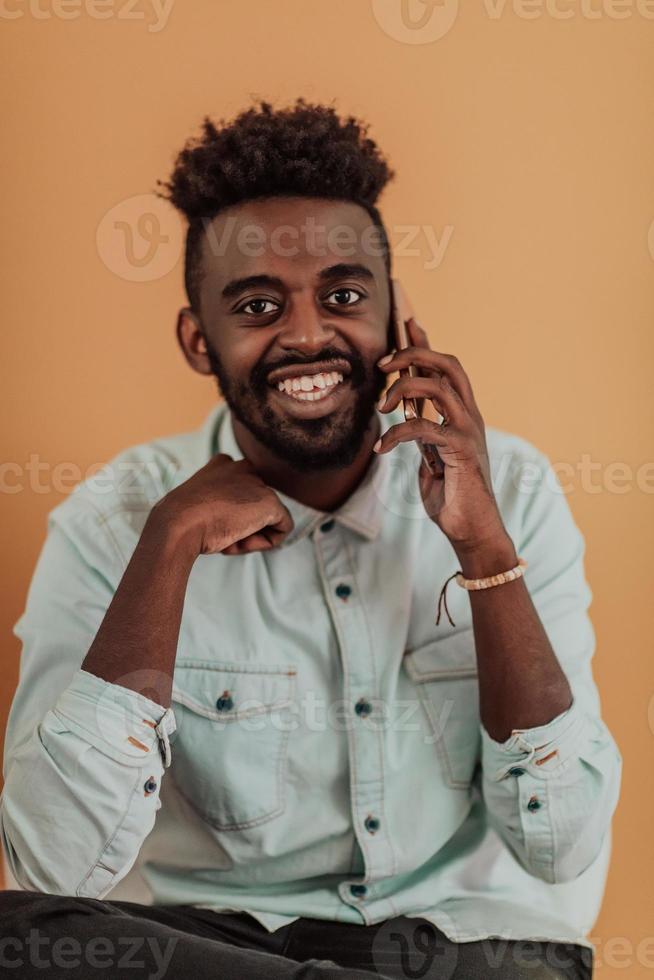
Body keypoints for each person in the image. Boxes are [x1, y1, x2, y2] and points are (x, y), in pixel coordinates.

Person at [0, 99, 621, 979]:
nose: (305, 334)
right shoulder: (117, 522)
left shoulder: (511, 490)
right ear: (195, 340)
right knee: (14, 937)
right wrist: (167, 549)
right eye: (257, 304)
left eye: (343, 295)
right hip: (229, 948)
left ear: (397, 318)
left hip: (470, 951)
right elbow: (50, 868)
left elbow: (562, 845)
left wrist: (486, 554)